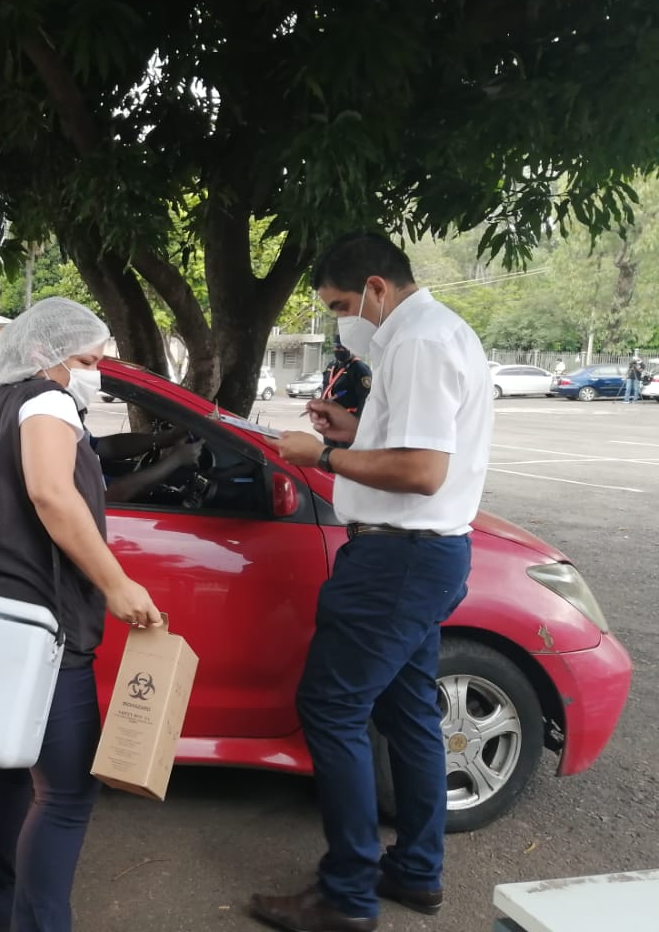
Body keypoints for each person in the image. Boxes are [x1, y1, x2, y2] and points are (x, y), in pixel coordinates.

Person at [252, 234, 492, 932]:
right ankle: (416, 871)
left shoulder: (416, 343)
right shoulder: (435, 334)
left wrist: (322, 453)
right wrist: (351, 429)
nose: (340, 320)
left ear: (377, 288)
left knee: (330, 706)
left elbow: (421, 472)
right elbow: (410, 444)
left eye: (340, 305)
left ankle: (346, 894)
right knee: (408, 710)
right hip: (422, 556)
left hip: (397, 561)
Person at [0, 296, 164, 932]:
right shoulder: (47, 399)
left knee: (8, 761)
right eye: (88, 359)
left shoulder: (3, 406)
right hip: (35, 621)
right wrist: (118, 585)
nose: (96, 370)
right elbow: (48, 492)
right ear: (48, 355)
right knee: (66, 791)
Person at [94, 424, 204, 503]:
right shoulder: (76, 448)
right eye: (81, 411)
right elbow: (114, 493)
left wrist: (167, 437)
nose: (85, 413)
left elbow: (110, 446)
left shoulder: (79, 439)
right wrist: (176, 459)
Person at [320, 339, 372, 449]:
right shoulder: (332, 366)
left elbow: (364, 398)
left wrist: (357, 423)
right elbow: (326, 387)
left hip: (347, 419)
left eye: (342, 348)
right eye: (337, 347)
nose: (339, 350)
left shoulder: (360, 369)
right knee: (328, 453)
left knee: (345, 454)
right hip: (329, 419)